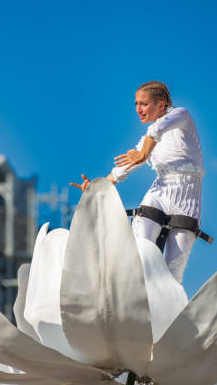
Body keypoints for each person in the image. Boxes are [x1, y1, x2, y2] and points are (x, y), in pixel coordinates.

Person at [70, 81, 204, 283]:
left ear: (161, 105)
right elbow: (122, 170)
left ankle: (167, 308)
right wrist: (95, 189)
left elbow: (156, 131)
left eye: (143, 104)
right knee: (139, 249)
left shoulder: (181, 115)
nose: (138, 109)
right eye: (136, 104)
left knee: (174, 272)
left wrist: (142, 155)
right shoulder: (146, 143)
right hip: (160, 191)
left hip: (187, 198)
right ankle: (131, 291)